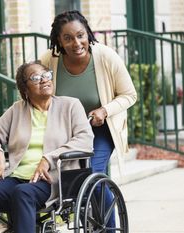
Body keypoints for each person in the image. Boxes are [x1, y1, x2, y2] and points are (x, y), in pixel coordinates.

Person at [0, 61, 93, 233]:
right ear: (25, 89)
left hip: (52, 180)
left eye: (46, 75)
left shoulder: (70, 105)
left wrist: (49, 159)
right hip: (17, 177)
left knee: (22, 193)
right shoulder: (17, 110)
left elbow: (85, 139)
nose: (44, 80)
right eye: (36, 78)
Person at [40, 10, 137, 231]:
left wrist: (104, 110)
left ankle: (108, 229)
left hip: (101, 129)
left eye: (80, 35)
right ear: (59, 41)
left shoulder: (105, 56)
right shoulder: (49, 60)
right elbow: (35, 89)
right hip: (66, 131)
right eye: (68, 38)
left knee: (92, 172)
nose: (76, 43)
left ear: (88, 34)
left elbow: (129, 95)